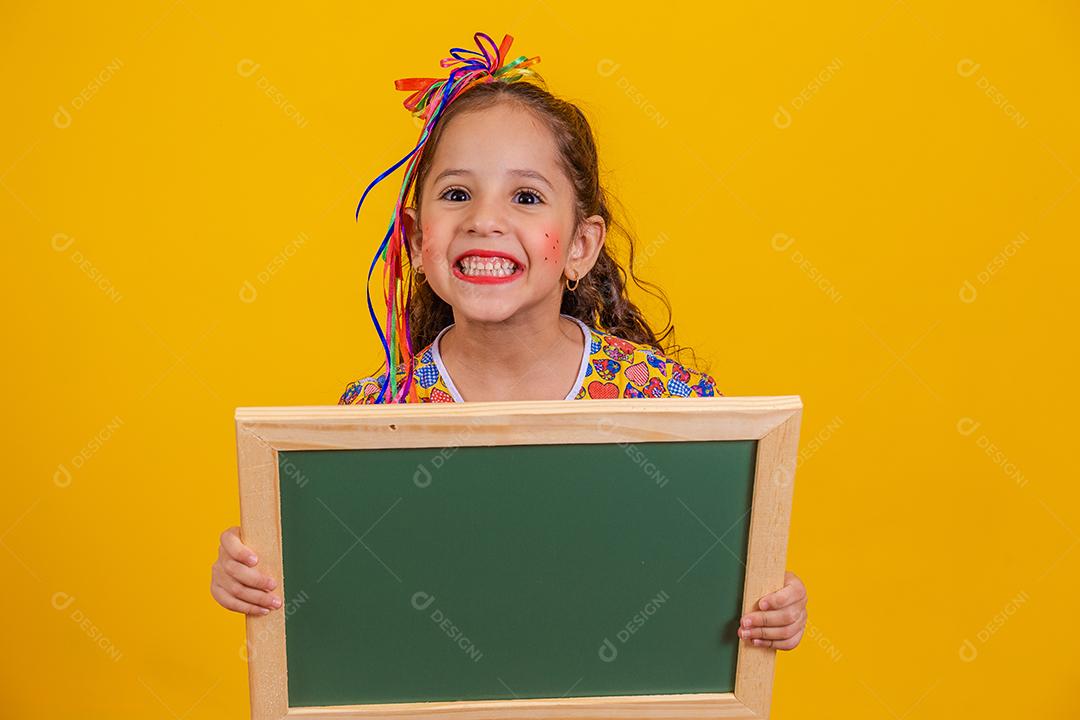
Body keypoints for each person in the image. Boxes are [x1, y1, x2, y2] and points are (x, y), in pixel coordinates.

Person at [211, 32, 808, 651]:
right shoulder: (374, 416)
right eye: (456, 194)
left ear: (581, 245)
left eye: (526, 197)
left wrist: (774, 602)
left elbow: (718, 568)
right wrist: (255, 573)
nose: (484, 220)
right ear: (415, 240)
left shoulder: (667, 401)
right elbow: (341, 590)